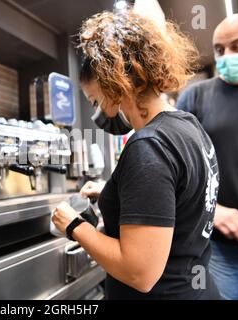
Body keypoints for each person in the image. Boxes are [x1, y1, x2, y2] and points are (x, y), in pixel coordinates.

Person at [51, 11, 221, 300]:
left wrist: (74, 226)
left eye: (95, 101)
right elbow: (180, 198)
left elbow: (139, 273)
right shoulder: (188, 126)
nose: (98, 112)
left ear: (114, 86)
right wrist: (116, 192)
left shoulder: (149, 146)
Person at [176, 14, 238, 300]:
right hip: (219, 244)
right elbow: (177, 171)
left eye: (237, 46)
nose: (226, 56)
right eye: (219, 49)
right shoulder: (195, 98)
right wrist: (213, 211)